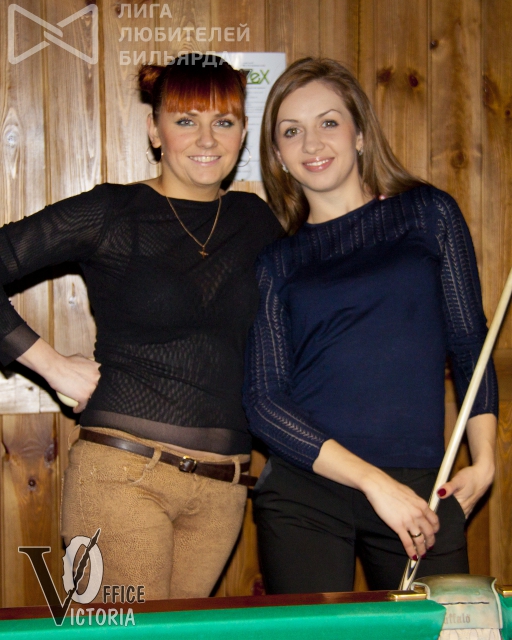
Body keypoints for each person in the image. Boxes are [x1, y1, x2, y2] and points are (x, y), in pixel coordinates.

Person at [0, 53, 282, 599]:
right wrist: (51, 365)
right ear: (155, 131)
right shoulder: (114, 211)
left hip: (222, 491)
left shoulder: (256, 221)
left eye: (223, 122)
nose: (207, 138)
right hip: (122, 477)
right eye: (185, 120)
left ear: (243, 133)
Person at [243, 57, 498, 593]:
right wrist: (371, 481)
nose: (312, 143)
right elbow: (264, 401)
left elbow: (470, 343)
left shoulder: (428, 213)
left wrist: (486, 461)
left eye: (328, 122)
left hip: (421, 485)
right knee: (318, 633)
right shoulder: (275, 261)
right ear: (278, 156)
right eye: (292, 131)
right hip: (306, 489)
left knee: (446, 628)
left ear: (359, 134)